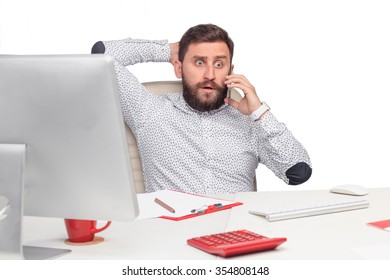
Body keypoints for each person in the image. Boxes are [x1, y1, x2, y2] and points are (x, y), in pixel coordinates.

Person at [91, 23, 312, 194]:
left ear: (230, 70)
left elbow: (298, 172)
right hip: (171, 237)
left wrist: (260, 113)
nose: (209, 74)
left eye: (218, 64)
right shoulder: (148, 110)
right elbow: (102, 54)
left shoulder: (251, 123)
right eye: (199, 62)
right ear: (179, 67)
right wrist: (169, 50)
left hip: (235, 236)